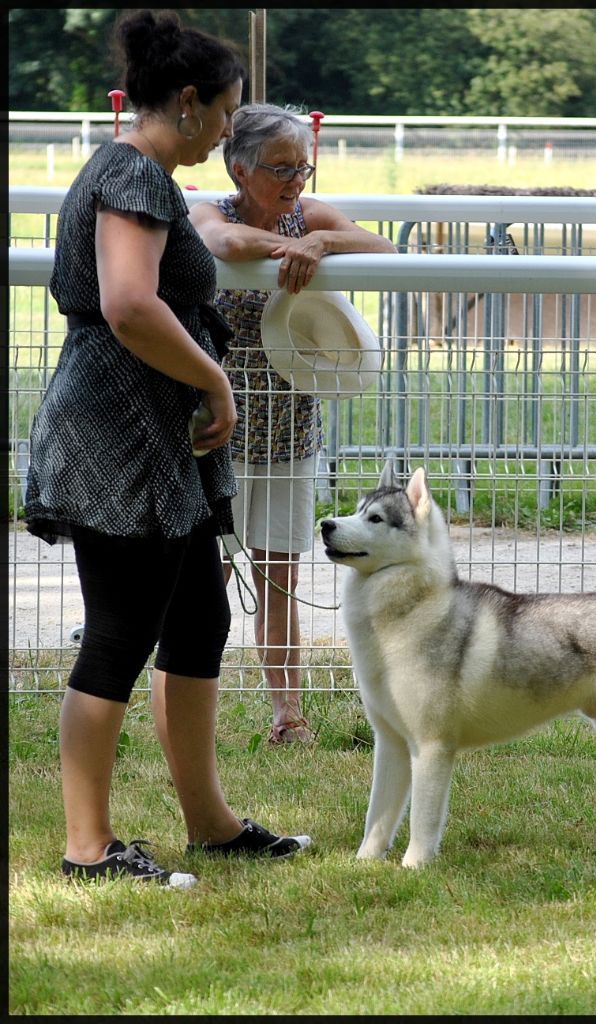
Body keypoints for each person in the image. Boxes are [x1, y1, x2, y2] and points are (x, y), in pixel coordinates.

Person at [24, 10, 311, 888]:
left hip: (164, 439)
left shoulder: (141, 173)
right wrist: (218, 383)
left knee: (199, 621)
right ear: (186, 104)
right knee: (118, 635)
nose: (229, 130)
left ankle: (212, 824)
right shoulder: (133, 176)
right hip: (120, 439)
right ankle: (88, 848)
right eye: (224, 113)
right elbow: (127, 304)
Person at [190, 103, 396, 745]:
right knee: (206, 582)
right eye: (280, 168)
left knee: (280, 576)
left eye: (302, 167)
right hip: (211, 435)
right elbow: (223, 246)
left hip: (289, 434)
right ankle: (194, 716)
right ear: (239, 168)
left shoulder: (309, 216)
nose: (295, 181)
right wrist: (293, 246)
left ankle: (289, 716)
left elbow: (383, 245)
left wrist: (322, 241)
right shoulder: (208, 211)